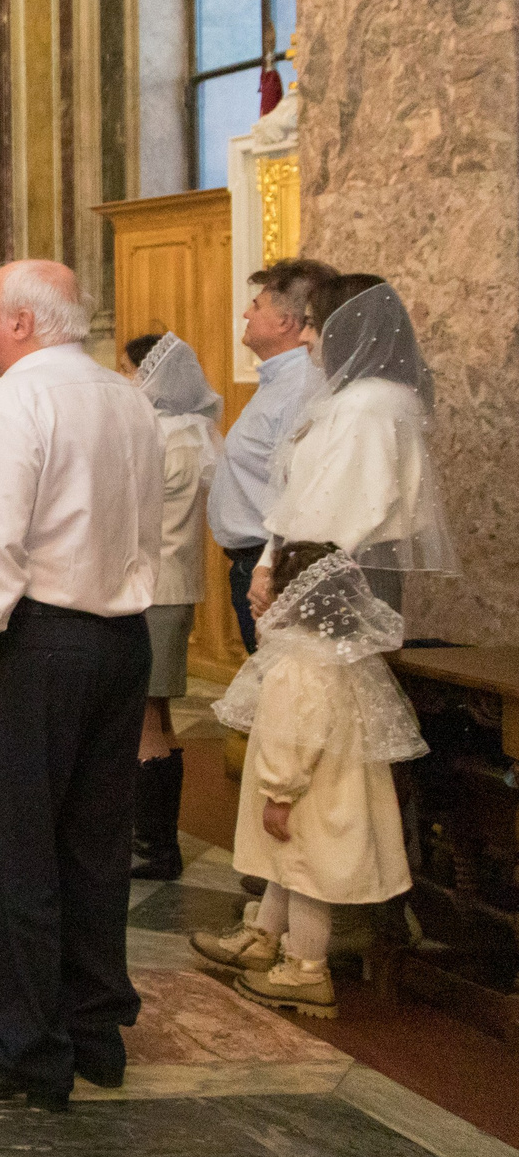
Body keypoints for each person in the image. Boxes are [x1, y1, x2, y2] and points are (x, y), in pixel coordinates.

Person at [0, 261, 160, 1112]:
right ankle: (96, 1031)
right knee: (95, 843)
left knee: (11, 846)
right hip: (120, 638)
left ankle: (30, 1046)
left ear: (23, 323)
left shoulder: (13, 403)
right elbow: (149, 518)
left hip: (39, 640)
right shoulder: (125, 396)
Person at [193, 547, 426, 1017]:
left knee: (305, 878)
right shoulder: (340, 656)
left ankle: (306, 971)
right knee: (289, 866)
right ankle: (264, 935)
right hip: (333, 791)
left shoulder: (298, 666)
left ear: (291, 598)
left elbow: (290, 738)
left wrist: (279, 794)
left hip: (305, 794)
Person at [252, 276, 453, 620]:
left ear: (344, 328)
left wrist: (282, 584)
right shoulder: (349, 397)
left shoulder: (369, 402)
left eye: (312, 324)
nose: (302, 337)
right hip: (317, 567)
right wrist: (266, 565)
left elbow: (337, 509)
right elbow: (300, 494)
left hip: (343, 574)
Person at [123, 332, 222, 882]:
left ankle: (153, 845)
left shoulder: (164, 439)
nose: (128, 383)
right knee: (155, 712)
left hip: (155, 589)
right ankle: (151, 840)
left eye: (131, 371)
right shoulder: (195, 433)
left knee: (147, 717)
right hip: (173, 585)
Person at [208, 260, 338, 651]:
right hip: (258, 561)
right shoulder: (280, 380)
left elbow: (301, 487)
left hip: (273, 567)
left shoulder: (300, 384)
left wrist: (269, 566)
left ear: (286, 321)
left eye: (257, 305)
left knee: (276, 694)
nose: (247, 313)